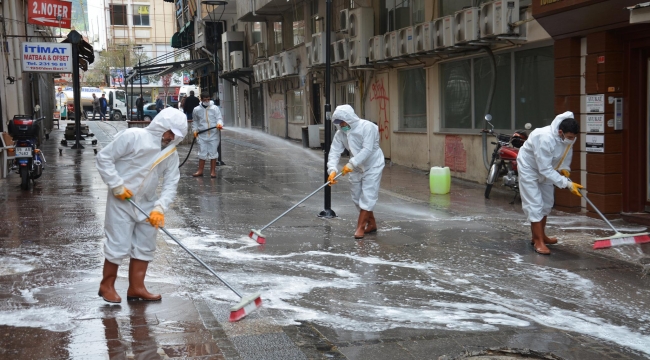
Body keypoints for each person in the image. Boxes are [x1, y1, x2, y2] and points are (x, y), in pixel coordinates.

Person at [95, 107, 188, 303]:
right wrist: (116, 185)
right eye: (169, 132)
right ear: (161, 125)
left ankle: (137, 288)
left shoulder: (171, 153)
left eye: (176, 135)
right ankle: (106, 286)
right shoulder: (133, 136)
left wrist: (160, 208)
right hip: (122, 200)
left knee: (145, 244)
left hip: (147, 203)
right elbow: (104, 158)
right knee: (118, 244)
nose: (171, 137)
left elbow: (172, 182)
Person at [517, 111, 583, 255]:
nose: (572, 140)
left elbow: (567, 151)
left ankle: (541, 235)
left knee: (547, 202)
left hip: (548, 168)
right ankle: (538, 241)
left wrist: (565, 168)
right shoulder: (544, 137)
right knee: (534, 203)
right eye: (569, 137)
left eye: (574, 137)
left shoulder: (569, 137)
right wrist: (567, 184)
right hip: (530, 168)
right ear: (560, 132)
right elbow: (544, 169)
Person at [327, 104, 385, 239]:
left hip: (373, 164)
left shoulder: (367, 127)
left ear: (350, 118)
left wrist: (351, 164)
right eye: (338, 123)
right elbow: (334, 152)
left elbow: (367, 149)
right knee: (356, 197)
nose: (341, 125)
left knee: (368, 195)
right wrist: (332, 170)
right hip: (356, 167)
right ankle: (372, 224)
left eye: (342, 121)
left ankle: (360, 227)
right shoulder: (341, 133)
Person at [191, 91, 223, 178]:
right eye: (205, 99)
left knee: (213, 153)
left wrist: (219, 124)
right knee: (202, 152)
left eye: (208, 99)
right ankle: (200, 171)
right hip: (202, 134)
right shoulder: (196, 110)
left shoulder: (215, 108)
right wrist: (194, 130)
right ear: (201, 99)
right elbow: (195, 121)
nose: (207, 101)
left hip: (213, 134)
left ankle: (213, 171)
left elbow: (219, 118)